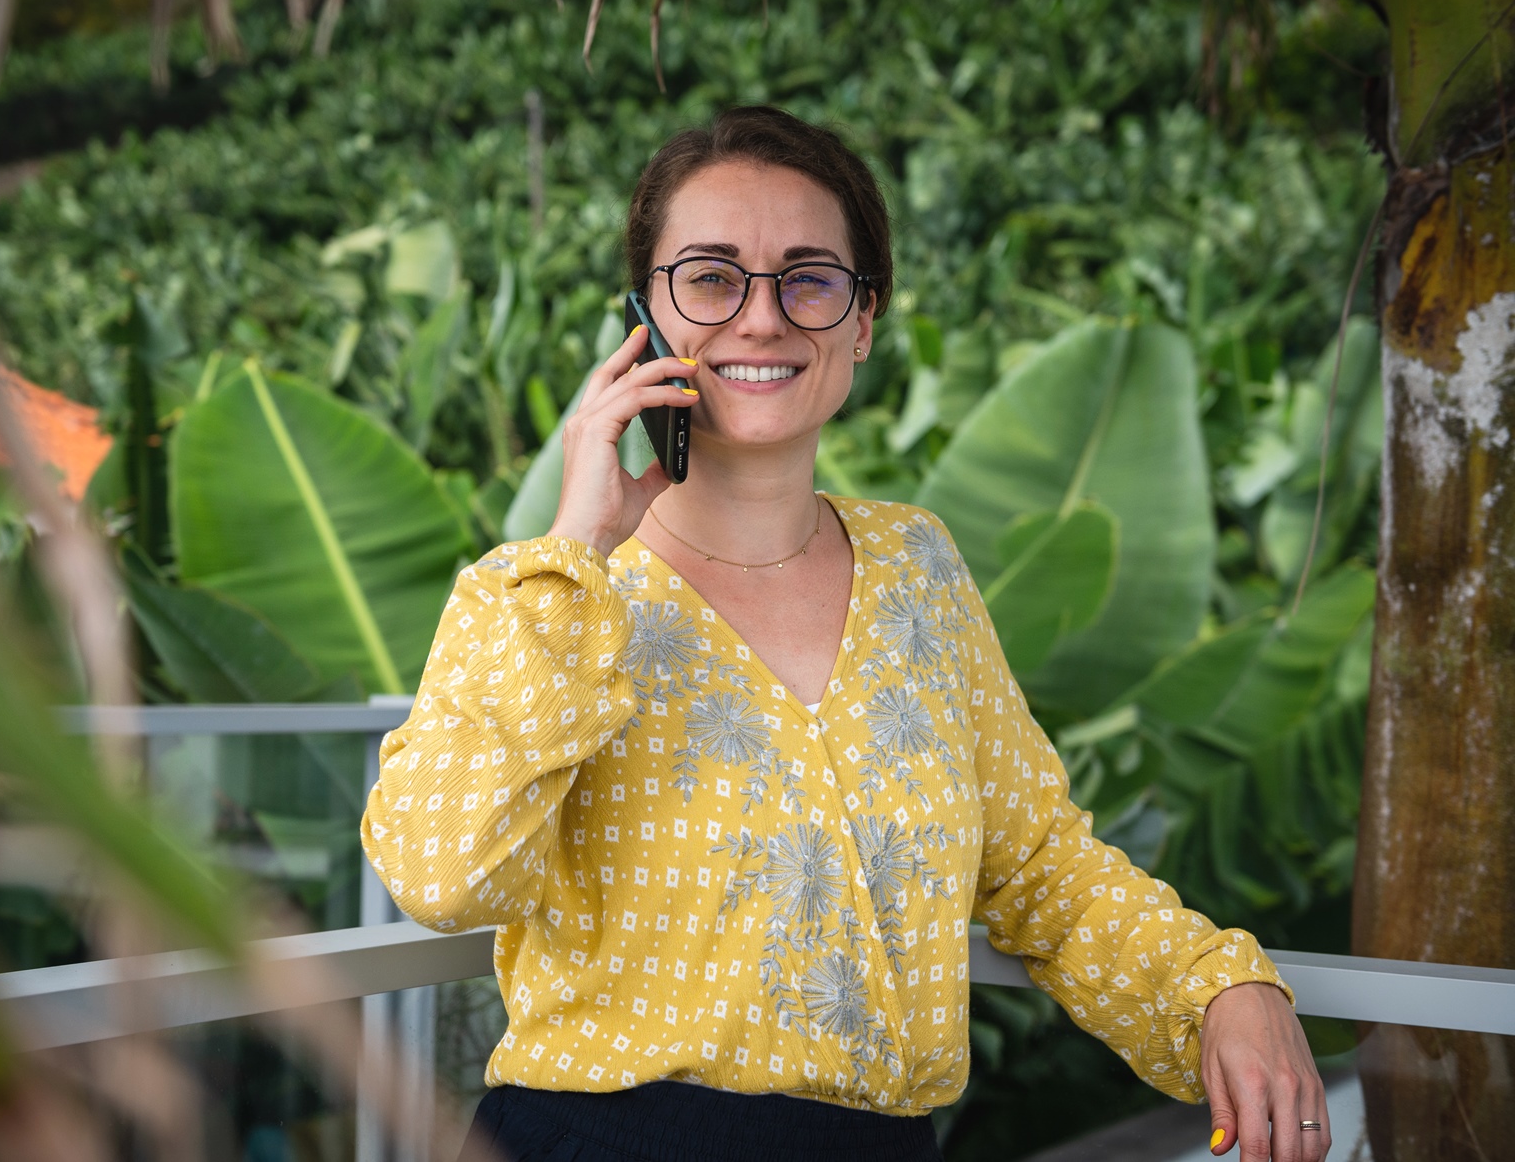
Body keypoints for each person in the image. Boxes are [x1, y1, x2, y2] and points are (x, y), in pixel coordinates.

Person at [362, 106, 1329, 1162]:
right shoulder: (554, 594)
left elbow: (1039, 865)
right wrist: (580, 538)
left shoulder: (918, 567)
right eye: (711, 276)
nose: (762, 318)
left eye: (810, 277)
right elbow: (441, 874)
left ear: (863, 323)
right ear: (643, 313)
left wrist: (1221, 986)